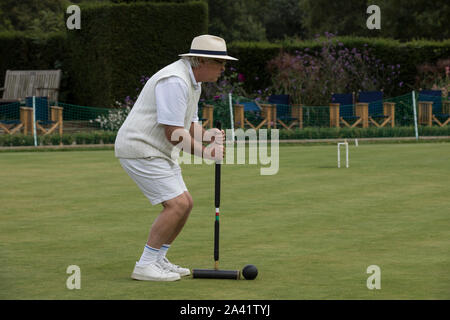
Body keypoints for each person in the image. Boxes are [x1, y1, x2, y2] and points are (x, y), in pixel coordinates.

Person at [114, 35, 238, 281]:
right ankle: (145, 265)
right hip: (140, 148)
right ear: (201, 60)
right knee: (177, 204)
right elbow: (173, 133)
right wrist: (206, 152)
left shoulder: (194, 83)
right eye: (219, 62)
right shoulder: (175, 81)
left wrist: (207, 134)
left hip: (156, 150)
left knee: (186, 203)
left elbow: (189, 126)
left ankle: (158, 259)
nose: (223, 68)